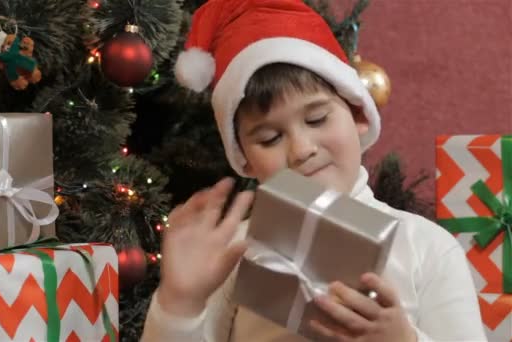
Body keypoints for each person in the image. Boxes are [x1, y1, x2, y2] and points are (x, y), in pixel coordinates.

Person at [141, 0, 486, 340]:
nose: (302, 150)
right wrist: (178, 306)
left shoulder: (426, 247)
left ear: (358, 114)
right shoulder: (232, 252)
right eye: (271, 137)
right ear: (243, 157)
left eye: (317, 119)